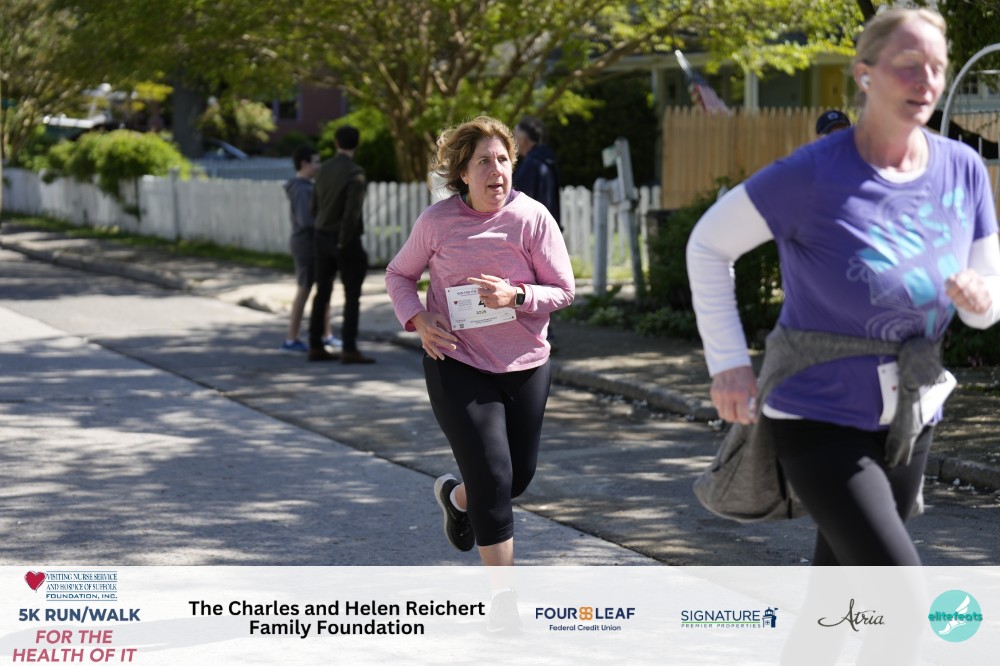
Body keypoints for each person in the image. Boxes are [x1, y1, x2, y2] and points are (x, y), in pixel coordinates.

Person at [686, 8, 1000, 566]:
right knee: (893, 586)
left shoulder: (964, 168)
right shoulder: (813, 172)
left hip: (912, 410)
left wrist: (981, 299)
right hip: (817, 411)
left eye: (936, 67)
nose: (926, 80)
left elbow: (987, 304)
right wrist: (728, 364)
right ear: (865, 74)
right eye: (908, 64)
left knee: (842, 594)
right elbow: (708, 244)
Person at [385, 116, 574, 570]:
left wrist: (518, 296)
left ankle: (457, 498)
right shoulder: (437, 222)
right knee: (493, 477)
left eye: (503, 159)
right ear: (463, 173)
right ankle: (503, 599)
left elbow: (564, 290)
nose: (497, 170)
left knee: (515, 478)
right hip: (456, 360)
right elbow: (399, 274)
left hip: (525, 364)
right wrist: (418, 317)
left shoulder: (532, 218)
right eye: (484, 161)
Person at [308, 125, 375, 364]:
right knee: (352, 294)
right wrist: (343, 240)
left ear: (336, 143)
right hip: (345, 240)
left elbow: (314, 206)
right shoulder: (355, 172)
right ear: (357, 145)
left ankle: (315, 344)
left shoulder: (324, 169)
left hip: (321, 235)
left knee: (322, 292)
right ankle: (349, 347)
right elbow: (352, 212)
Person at [281, 145, 340, 353]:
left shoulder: (306, 186)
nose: (319, 166)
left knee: (323, 289)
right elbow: (306, 221)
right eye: (316, 162)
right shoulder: (300, 189)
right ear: (304, 163)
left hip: (313, 243)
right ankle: (291, 339)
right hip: (306, 245)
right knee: (304, 289)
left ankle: (326, 335)